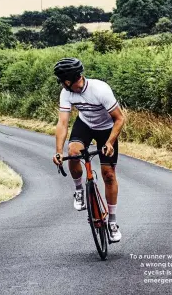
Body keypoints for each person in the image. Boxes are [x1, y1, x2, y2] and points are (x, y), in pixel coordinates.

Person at [52, 57, 125, 243]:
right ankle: (79, 190)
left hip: (107, 129)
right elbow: (62, 123)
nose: (61, 83)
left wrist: (109, 142)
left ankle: (113, 222)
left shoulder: (100, 89)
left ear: (68, 80)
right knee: (74, 151)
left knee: (108, 174)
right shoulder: (66, 93)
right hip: (85, 125)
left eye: (62, 80)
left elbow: (120, 119)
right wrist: (59, 151)